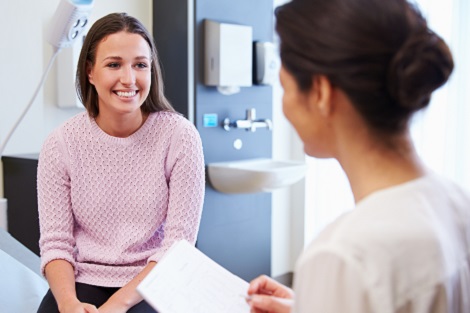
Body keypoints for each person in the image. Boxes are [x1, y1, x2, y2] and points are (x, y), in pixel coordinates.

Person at [247, 0, 470, 312]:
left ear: (322, 92)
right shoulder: (457, 203)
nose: (284, 108)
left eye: (285, 88)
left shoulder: (343, 255)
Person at [36, 13, 205, 313]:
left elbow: (178, 246)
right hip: (84, 278)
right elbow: (56, 243)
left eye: (140, 64)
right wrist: (67, 303)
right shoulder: (60, 144)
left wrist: (118, 304)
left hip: (155, 278)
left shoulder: (179, 137)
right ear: (90, 72)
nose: (129, 79)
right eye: (114, 64)